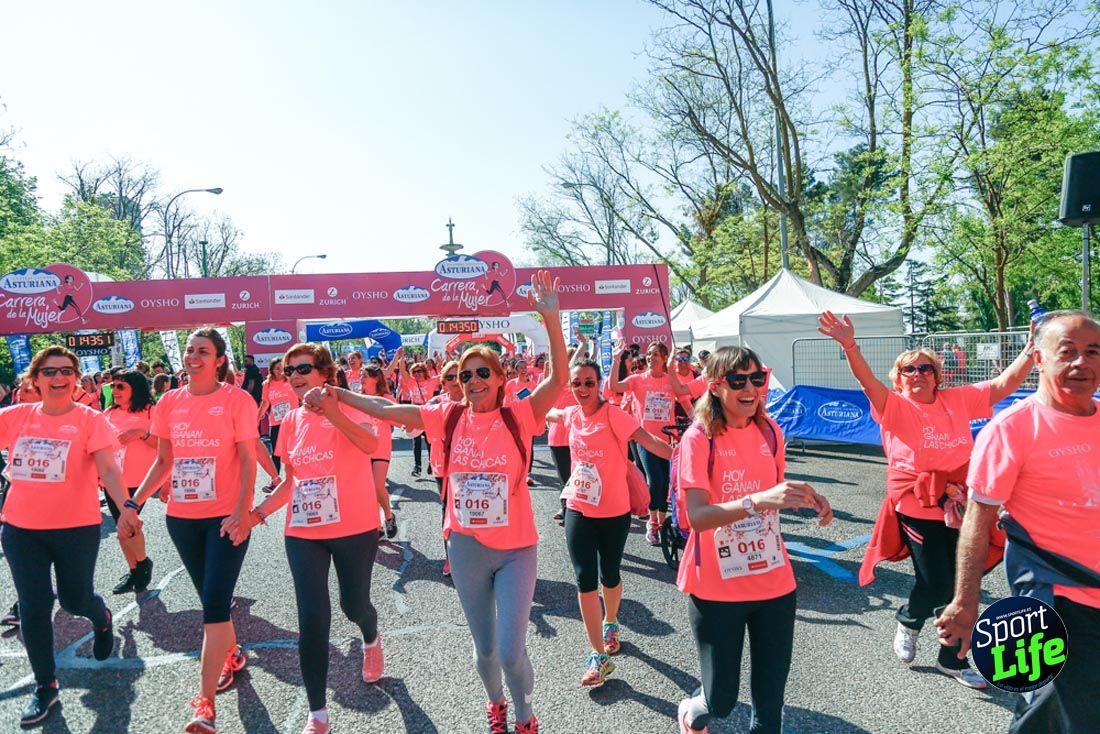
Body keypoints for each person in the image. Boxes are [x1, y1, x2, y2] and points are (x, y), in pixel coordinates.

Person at [309, 271, 566, 734]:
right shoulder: (445, 416)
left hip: (515, 548)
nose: (472, 380)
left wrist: (551, 319)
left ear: (501, 377)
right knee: (485, 649)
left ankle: (525, 715)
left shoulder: (520, 414)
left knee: (511, 650)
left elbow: (559, 377)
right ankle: (496, 706)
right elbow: (385, 410)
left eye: (482, 372)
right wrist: (335, 393)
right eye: (464, 375)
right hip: (464, 546)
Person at [818, 309, 1034, 687]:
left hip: (960, 499)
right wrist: (849, 345)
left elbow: (1002, 384)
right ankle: (908, 619)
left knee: (963, 580)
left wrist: (1030, 352)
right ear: (899, 380)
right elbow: (867, 382)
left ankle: (951, 659)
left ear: (938, 375)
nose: (917, 374)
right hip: (916, 502)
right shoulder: (895, 405)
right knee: (936, 582)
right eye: (909, 370)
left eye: (925, 368)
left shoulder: (957, 400)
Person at [937, 311, 1100, 733]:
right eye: (1067, 352)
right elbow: (978, 518)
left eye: (1092, 352)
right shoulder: (1011, 429)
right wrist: (966, 601)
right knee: (1052, 717)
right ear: (1039, 359)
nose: (1081, 363)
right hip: (1052, 597)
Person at [675, 346, 833, 734]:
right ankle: (693, 708)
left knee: (770, 702)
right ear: (715, 386)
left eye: (757, 378)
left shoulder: (770, 430)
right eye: (738, 380)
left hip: (774, 582)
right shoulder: (698, 438)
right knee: (722, 700)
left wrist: (808, 496)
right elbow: (697, 516)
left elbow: (774, 488)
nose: (751, 388)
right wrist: (755, 501)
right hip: (717, 588)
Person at [118, 328, 258, 734]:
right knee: (211, 597)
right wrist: (133, 503)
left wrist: (241, 513)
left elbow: (248, 460)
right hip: (181, 518)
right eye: (189, 350)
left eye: (203, 351)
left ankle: (205, 705)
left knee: (214, 603)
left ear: (219, 360)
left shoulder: (237, 400)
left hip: (226, 518)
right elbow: (163, 461)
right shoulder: (169, 402)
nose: (193, 356)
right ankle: (231, 653)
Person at [0, 346, 139, 726]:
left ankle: (101, 617)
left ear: (76, 378)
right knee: (33, 603)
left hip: (75, 527)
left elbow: (108, 469)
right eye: (49, 372)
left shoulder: (90, 421)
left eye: (66, 371)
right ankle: (46, 686)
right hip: (20, 528)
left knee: (76, 599)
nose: (58, 378)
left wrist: (126, 506)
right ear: (35, 379)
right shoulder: (14, 418)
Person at [251, 343, 382, 734]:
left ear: (325, 372)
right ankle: (318, 713)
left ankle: (371, 638)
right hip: (304, 531)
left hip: (355, 528)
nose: (293, 376)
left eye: (303, 368)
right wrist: (256, 514)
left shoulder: (354, 405)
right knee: (312, 617)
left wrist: (333, 412)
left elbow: (371, 446)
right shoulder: (289, 421)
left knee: (353, 605)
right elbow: (291, 482)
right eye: (289, 370)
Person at [546, 358, 672, 687]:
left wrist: (691, 456)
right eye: (577, 383)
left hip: (614, 511)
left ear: (600, 383)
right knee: (584, 580)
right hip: (578, 507)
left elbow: (650, 441)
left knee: (610, 576)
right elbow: (550, 414)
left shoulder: (614, 415)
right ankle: (598, 656)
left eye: (589, 382)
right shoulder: (571, 415)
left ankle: (611, 620)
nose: (583, 389)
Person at [609, 341, 689, 545]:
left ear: (664, 359)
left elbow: (687, 404)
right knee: (655, 481)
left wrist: (699, 422)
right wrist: (617, 359)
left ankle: (662, 524)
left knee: (665, 483)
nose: (651, 358)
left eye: (656, 355)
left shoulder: (671, 381)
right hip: (644, 440)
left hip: (667, 441)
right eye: (649, 354)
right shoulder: (637, 380)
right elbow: (614, 387)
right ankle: (652, 523)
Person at [103, 370, 160, 594]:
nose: (114, 391)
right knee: (123, 528)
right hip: (113, 480)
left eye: (120, 387)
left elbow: (164, 447)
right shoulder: (108, 413)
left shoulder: (151, 412)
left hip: (142, 481)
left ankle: (141, 565)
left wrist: (142, 434)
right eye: (113, 386)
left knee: (126, 526)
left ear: (134, 389)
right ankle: (137, 568)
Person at [361, 364, 398, 539]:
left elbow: (401, 419)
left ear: (376, 378)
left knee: (377, 485)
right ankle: (375, 525)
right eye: (361, 375)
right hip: (362, 449)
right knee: (367, 489)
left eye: (365, 375)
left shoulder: (386, 398)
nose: (361, 378)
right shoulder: (357, 399)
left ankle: (389, 516)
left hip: (381, 448)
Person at [257, 357, 299, 478]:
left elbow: (301, 395)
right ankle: (275, 479)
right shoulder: (267, 384)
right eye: (277, 368)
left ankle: (297, 478)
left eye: (282, 368)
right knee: (276, 452)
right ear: (272, 370)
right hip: (275, 422)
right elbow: (265, 402)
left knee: (295, 449)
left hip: (293, 420)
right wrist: (257, 419)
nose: (280, 370)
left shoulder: (291, 380)